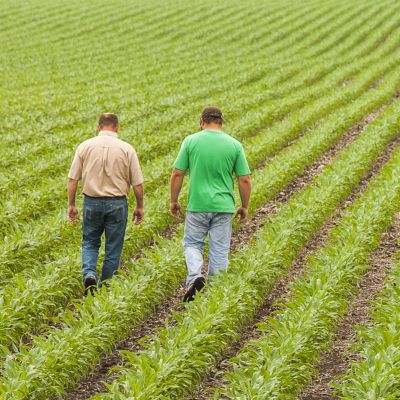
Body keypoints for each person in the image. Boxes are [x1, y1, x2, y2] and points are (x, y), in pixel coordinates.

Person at [170, 107, 251, 302]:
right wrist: (244, 205)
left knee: (192, 243)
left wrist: (174, 200)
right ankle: (216, 294)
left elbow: (177, 173)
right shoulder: (234, 145)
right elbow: (245, 179)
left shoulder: (191, 141)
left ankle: (195, 276)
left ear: (201, 121)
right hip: (223, 206)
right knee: (220, 249)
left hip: (197, 204)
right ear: (221, 121)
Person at [67, 113, 144, 295]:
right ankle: (106, 288)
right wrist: (139, 206)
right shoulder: (127, 149)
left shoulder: (85, 146)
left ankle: (89, 274)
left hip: (91, 202)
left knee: (90, 242)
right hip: (117, 203)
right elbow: (138, 184)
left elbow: (72, 179)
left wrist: (71, 205)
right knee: (113, 246)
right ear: (117, 127)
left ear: (98, 126)